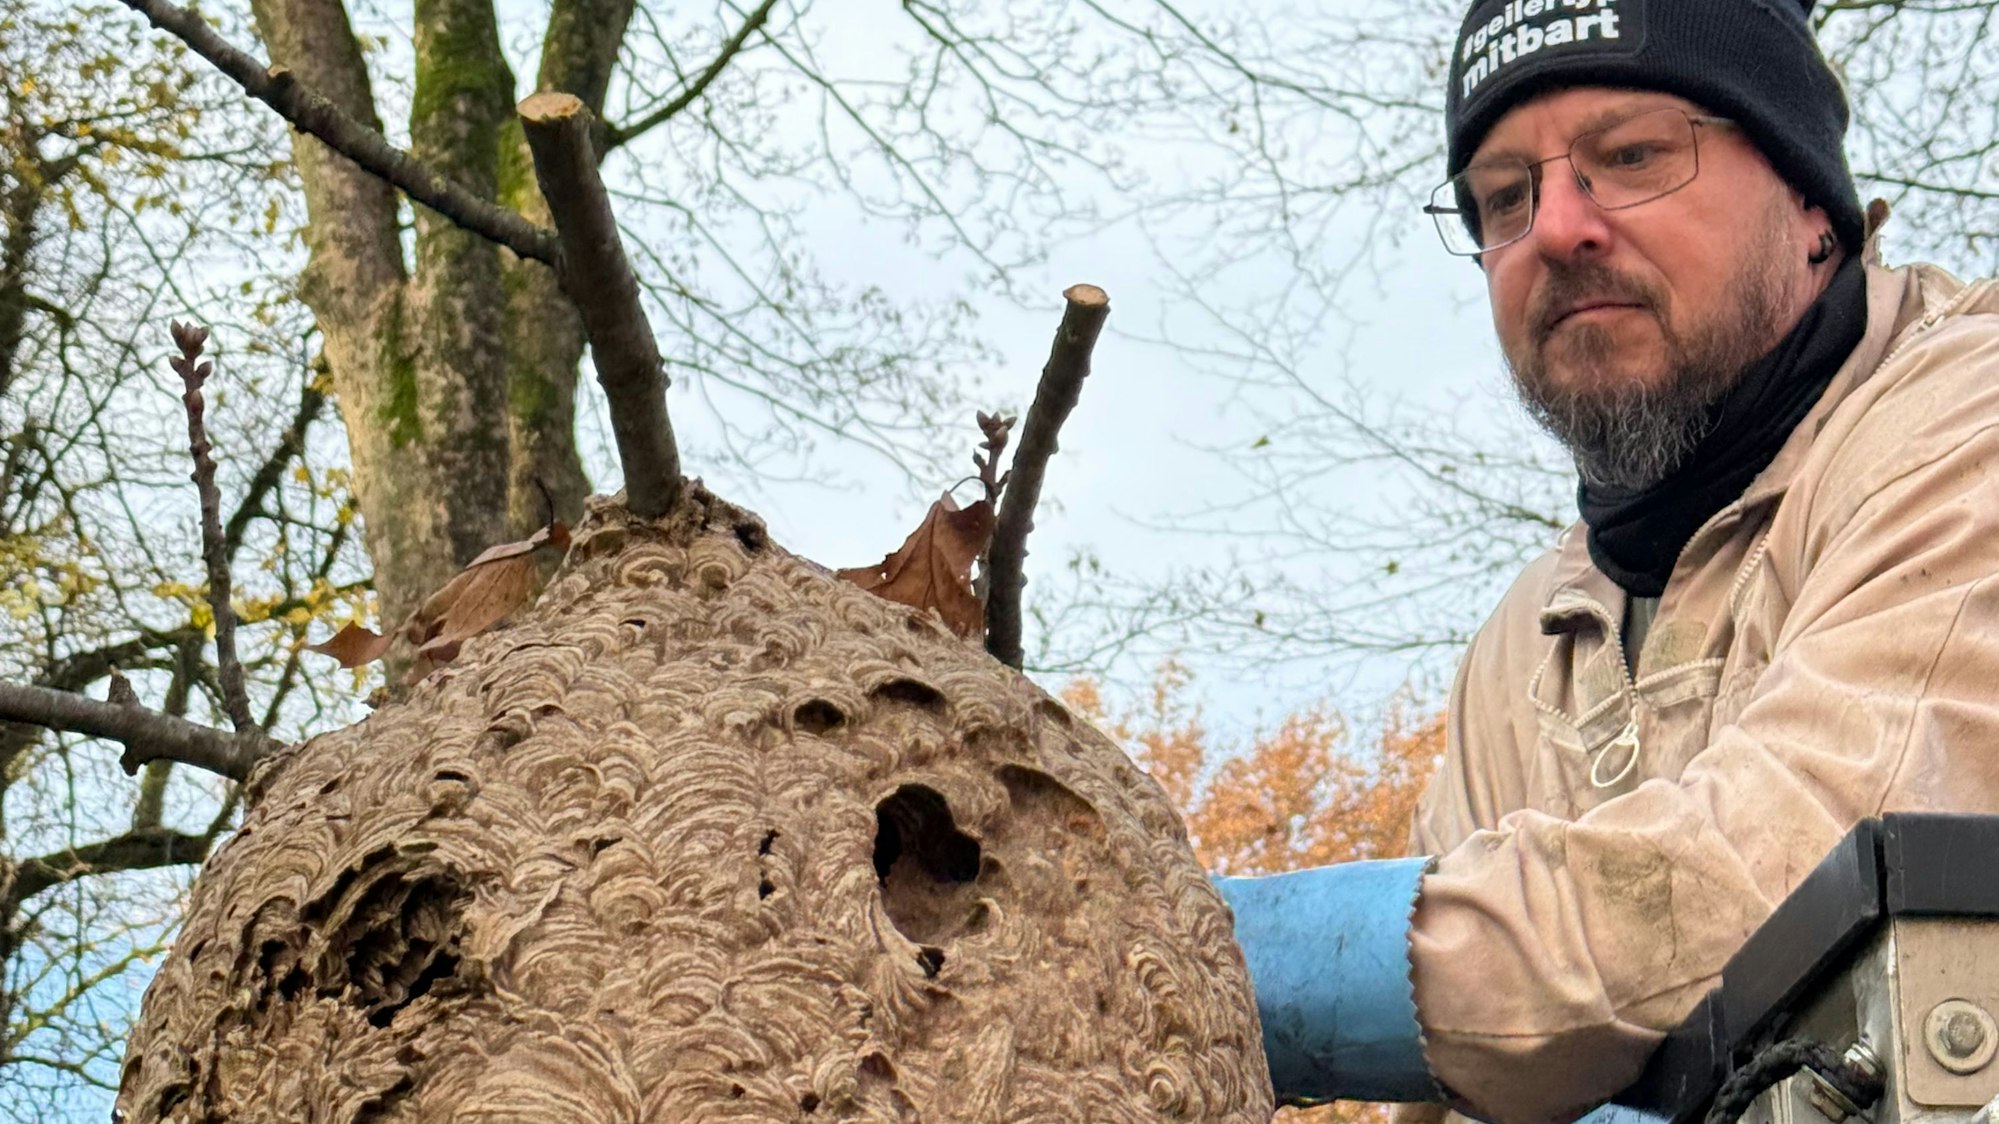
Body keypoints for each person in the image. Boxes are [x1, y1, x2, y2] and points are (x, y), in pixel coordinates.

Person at [1216, 0, 1999, 1120]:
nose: (1556, 228)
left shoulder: (1966, 424)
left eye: (1630, 156)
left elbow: (1784, 867)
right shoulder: (1524, 643)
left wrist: (1201, 953)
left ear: (1808, 201)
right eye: (1503, 198)